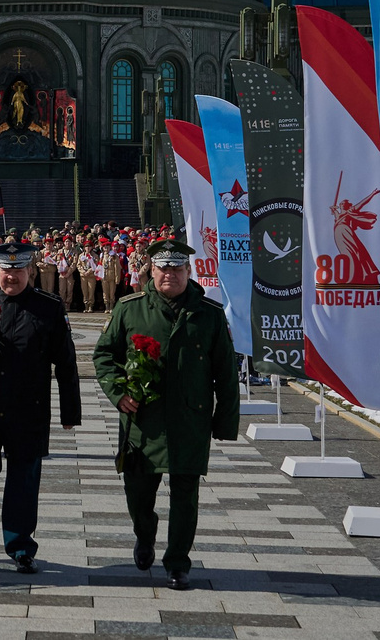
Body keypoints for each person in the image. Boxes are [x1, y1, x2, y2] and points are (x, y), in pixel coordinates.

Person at [94, 239, 238, 588]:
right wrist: (119, 392)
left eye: (177, 268)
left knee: (185, 496)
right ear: (151, 271)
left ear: (189, 272)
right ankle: (145, 536)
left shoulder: (209, 313)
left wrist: (226, 422)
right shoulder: (130, 309)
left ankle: (177, 562)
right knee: (138, 493)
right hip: (143, 421)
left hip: (190, 419)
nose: (169, 274)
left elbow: (226, 372)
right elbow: (104, 356)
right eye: (163, 268)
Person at [0, 236, 81, 572]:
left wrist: (70, 412)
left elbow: (65, 362)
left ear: (30, 269)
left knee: (23, 479)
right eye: (6, 269)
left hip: (28, 408)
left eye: (19, 269)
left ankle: (19, 544)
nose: (12, 276)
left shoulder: (49, 308)